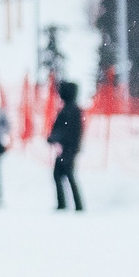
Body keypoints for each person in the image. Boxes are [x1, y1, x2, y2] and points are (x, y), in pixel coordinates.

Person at [49, 78, 86, 212]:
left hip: (67, 148)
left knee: (65, 174)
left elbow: (64, 130)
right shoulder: (71, 109)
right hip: (68, 148)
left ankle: (72, 205)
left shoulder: (70, 110)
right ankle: (69, 204)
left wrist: (55, 138)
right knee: (63, 175)